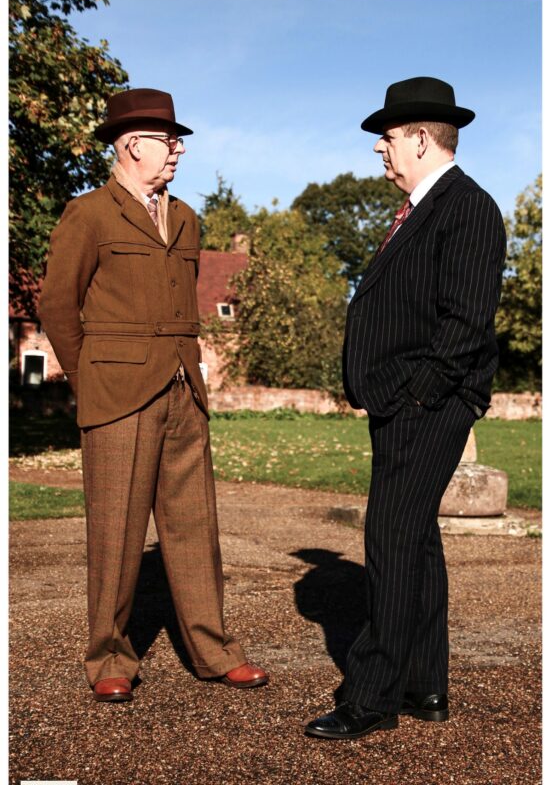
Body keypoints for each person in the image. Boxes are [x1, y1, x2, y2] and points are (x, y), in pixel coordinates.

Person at [39, 88, 268, 702]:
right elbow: (57, 305)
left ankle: (216, 651)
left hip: (182, 388)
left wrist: (192, 372)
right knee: (114, 531)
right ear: (132, 143)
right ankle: (110, 658)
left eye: (177, 140)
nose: (178, 150)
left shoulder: (188, 216)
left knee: (196, 527)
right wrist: (91, 382)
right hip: (117, 392)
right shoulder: (87, 213)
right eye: (169, 140)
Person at [306, 77, 506, 739]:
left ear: (419, 137)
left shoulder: (466, 207)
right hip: (408, 400)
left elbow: (465, 323)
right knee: (414, 543)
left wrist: (413, 395)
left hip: (429, 402)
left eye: (385, 141)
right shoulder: (422, 208)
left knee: (388, 539)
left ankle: (370, 699)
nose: (381, 155)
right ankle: (424, 687)